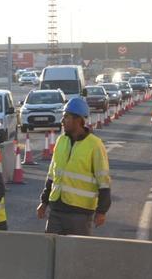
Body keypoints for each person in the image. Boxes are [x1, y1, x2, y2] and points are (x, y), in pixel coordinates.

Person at [36, 97, 111, 235]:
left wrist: (101, 211)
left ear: (78, 120)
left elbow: (104, 182)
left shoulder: (95, 145)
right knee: (51, 250)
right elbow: (52, 175)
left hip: (80, 213)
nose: (62, 121)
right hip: (57, 209)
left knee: (75, 253)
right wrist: (44, 202)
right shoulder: (61, 141)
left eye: (66, 117)